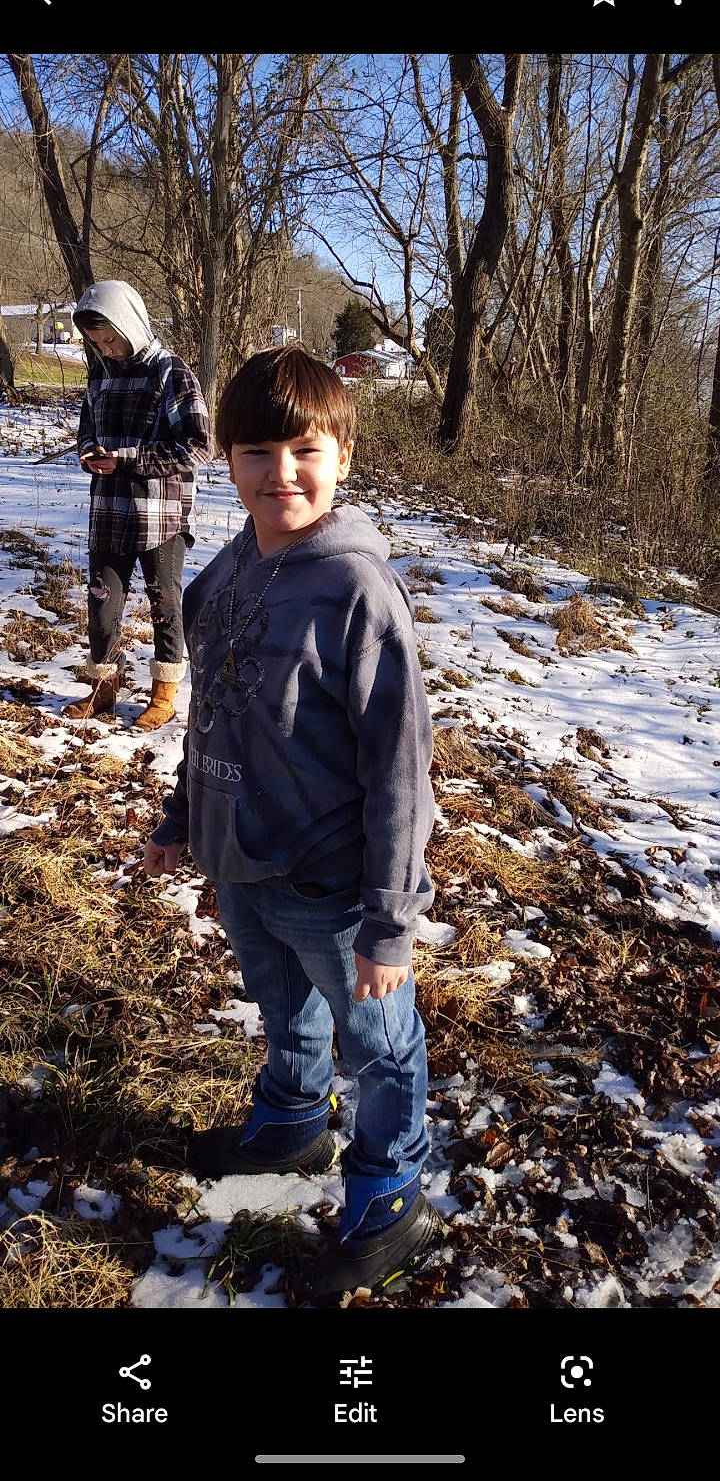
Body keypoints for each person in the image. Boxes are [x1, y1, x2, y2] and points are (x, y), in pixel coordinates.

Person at [143, 345, 446, 1300]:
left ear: (342, 457)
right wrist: (180, 814)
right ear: (227, 461)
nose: (282, 473)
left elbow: (400, 766)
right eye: (258, 452)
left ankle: (390, 1190)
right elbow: (212, 712)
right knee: (283, 1009)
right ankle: (292, 1118)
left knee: (381, 1046)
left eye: (306, 450)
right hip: (242, 861)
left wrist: (390, 921)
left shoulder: (358, 591)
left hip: (332, 882)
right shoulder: (223, 574)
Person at [64, 280, 212, 729]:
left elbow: (198, 446)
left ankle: (164, 695)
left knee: (165, 604)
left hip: (160, 517)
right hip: (108, 512)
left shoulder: (171, 372)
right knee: (101, 602)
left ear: (131, 323)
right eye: (98, 343)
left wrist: (127, 459)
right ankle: (103, 689)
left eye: (111, 339)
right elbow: (86, 430)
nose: (106, 349)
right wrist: (89, 452)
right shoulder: (100, 375)